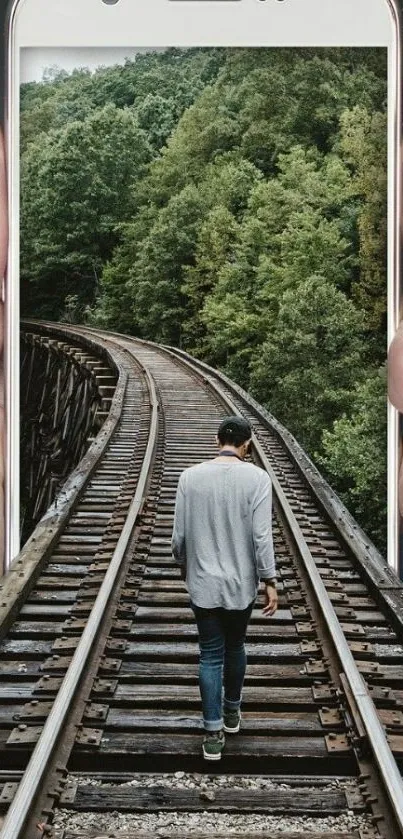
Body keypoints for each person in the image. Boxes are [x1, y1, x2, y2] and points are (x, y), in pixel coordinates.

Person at [171, 414, 278, 761]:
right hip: (241, 583)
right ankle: (232, 713)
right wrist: (269, 579)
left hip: (203, 584)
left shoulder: (190, 477)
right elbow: (262, 537)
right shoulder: (258, 479)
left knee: (210, 654)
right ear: (246, 445)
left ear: (217, 441)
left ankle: (213, 734)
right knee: (236, 645)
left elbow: (179, 538)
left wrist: (185, 564)